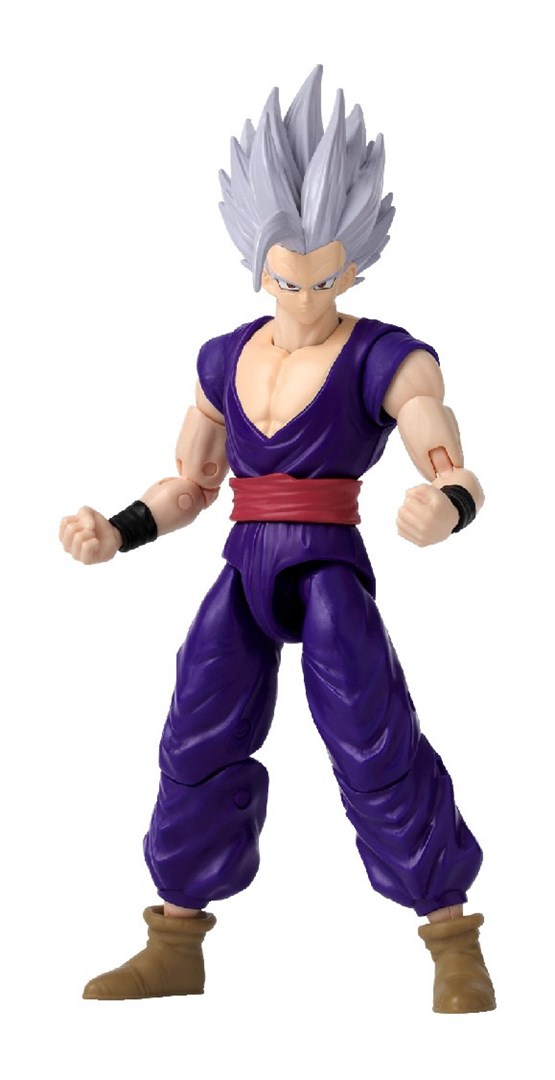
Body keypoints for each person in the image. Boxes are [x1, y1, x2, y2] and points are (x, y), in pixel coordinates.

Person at [59, 66, 495, 1013]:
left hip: (326, 567)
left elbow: (450, 462)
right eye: (285, 277)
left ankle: (451, 937)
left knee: (373, 739)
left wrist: (446, 506)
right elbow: (189, 483)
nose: (302, 296)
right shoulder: (223, 357)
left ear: (355, 264)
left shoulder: (387, 355)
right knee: (196, 732)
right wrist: (118, 532)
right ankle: (174, 941)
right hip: (243, 565)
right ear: (255, 259)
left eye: (323, 278)